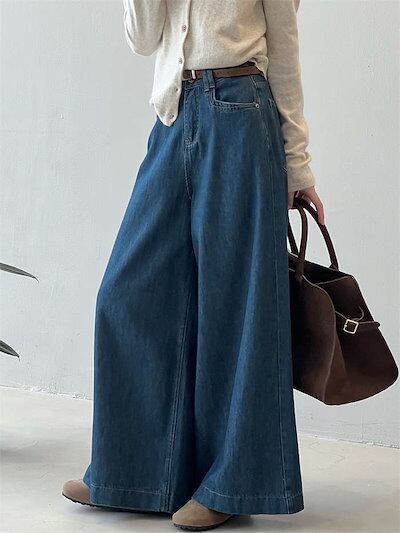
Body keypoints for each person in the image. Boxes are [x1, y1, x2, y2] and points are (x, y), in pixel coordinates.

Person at [62, 1, 324, 530]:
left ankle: (230, 484)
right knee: (125, 294)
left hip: (241, 113)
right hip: (173, 115)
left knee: (235, 306)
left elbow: (285, 50)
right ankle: (132, 472)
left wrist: (297, 167)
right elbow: (142, 39)